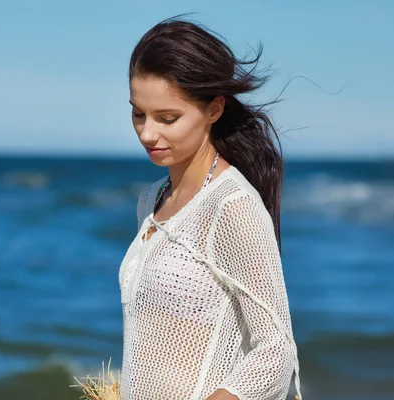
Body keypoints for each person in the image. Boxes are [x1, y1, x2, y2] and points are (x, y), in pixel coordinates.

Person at [118, 15, 302, 400]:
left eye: (168, 118)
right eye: (139, 113)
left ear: (214, 109)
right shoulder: (151, 200)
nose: (147, 133)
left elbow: (276, 350)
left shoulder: (232, 206)